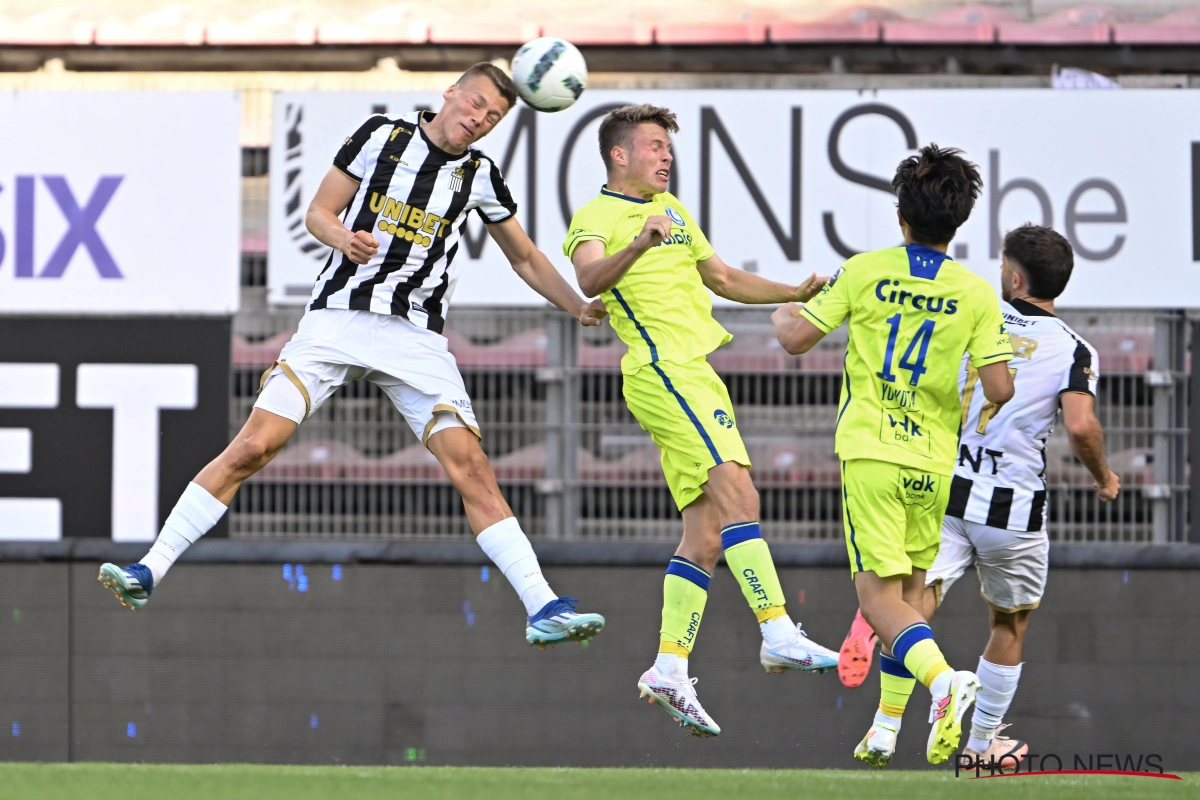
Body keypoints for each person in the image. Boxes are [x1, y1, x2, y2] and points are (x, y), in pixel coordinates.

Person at [99, 63, 610, 650]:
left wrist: (576, 304)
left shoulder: (481, 177)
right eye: (474, 104)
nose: (479, 120)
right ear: (450, 93)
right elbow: (318, 212)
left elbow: (523, 257)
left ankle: (541, 604)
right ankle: (149, 569)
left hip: (415, 338)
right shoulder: (380, 138)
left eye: (493, 117)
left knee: (472, 468)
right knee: (253, 446)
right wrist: (345, 238)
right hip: (336, 321)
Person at [565, 104, 839, 739]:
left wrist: (794, 293)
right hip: (664, 370)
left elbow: (723, 278)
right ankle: (776, 631)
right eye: (655, 146)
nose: (666, 156)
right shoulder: (597, 216)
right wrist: (638, 241)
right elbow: (587, 279)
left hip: (695, 372)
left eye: (668, 147)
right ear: (619, 154)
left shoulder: (677, 212)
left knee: (708, 534)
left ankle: (669, 667)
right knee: (741, 493)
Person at [771, 144, 1015, 765]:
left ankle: (946, 683)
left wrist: (781, 311)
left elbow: (797, 338)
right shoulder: (977, 292)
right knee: (911, 595)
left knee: (877, 600)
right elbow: (1000, 388)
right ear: (958, 221)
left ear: (900, 216)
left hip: (873, 452)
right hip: (934, 460)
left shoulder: (864, 270)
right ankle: (885, 725)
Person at [922, 224, 1117, 766]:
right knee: (1009, 623)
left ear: (1012, 276)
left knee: (915, 601)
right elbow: (1080, 428)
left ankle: (892, 708)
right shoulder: (1076, 350)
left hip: (947, 486)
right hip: (1012, 508)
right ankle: (981, 748)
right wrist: (1104, 477)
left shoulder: (976, 314)